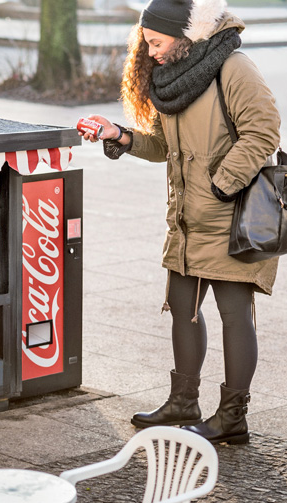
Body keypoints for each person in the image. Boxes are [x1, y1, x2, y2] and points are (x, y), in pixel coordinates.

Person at [79, 0, 280, 445]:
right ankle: (183, 402)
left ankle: (232, 418)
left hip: (233, 216)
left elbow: (264, 130)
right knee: (182, 307)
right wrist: (119, 135)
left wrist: (221, 184)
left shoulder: (233, 67)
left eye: (156, 42)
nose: (150, 53)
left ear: (183, 35)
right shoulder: (173, 78)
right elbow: (163, 147)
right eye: (147, 44)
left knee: (234, 314)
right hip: (188, 220)